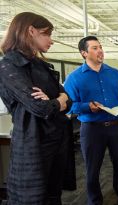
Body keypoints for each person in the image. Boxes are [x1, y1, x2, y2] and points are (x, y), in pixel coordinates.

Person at [0, 12, 72, 204]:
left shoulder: (41, 65)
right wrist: (58, 100)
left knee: (53, 196)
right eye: (46, 34)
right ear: (30, 31)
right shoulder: (9, 65)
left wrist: (57, 100)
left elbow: (69, 99)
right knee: (31, 199)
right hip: (32, 144)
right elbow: (40, 107)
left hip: (55, 140)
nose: (51, 40)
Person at [64, 36, 118, 205]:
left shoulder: (113, 73)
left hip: (116, 127)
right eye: (94, 48)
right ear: (84, 53)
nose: (100, 50)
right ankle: (95, 200)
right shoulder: (74, 78)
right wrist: (87, 106)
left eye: (100, 47)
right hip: (92, 129)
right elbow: (69, 106)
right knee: (92, 169)